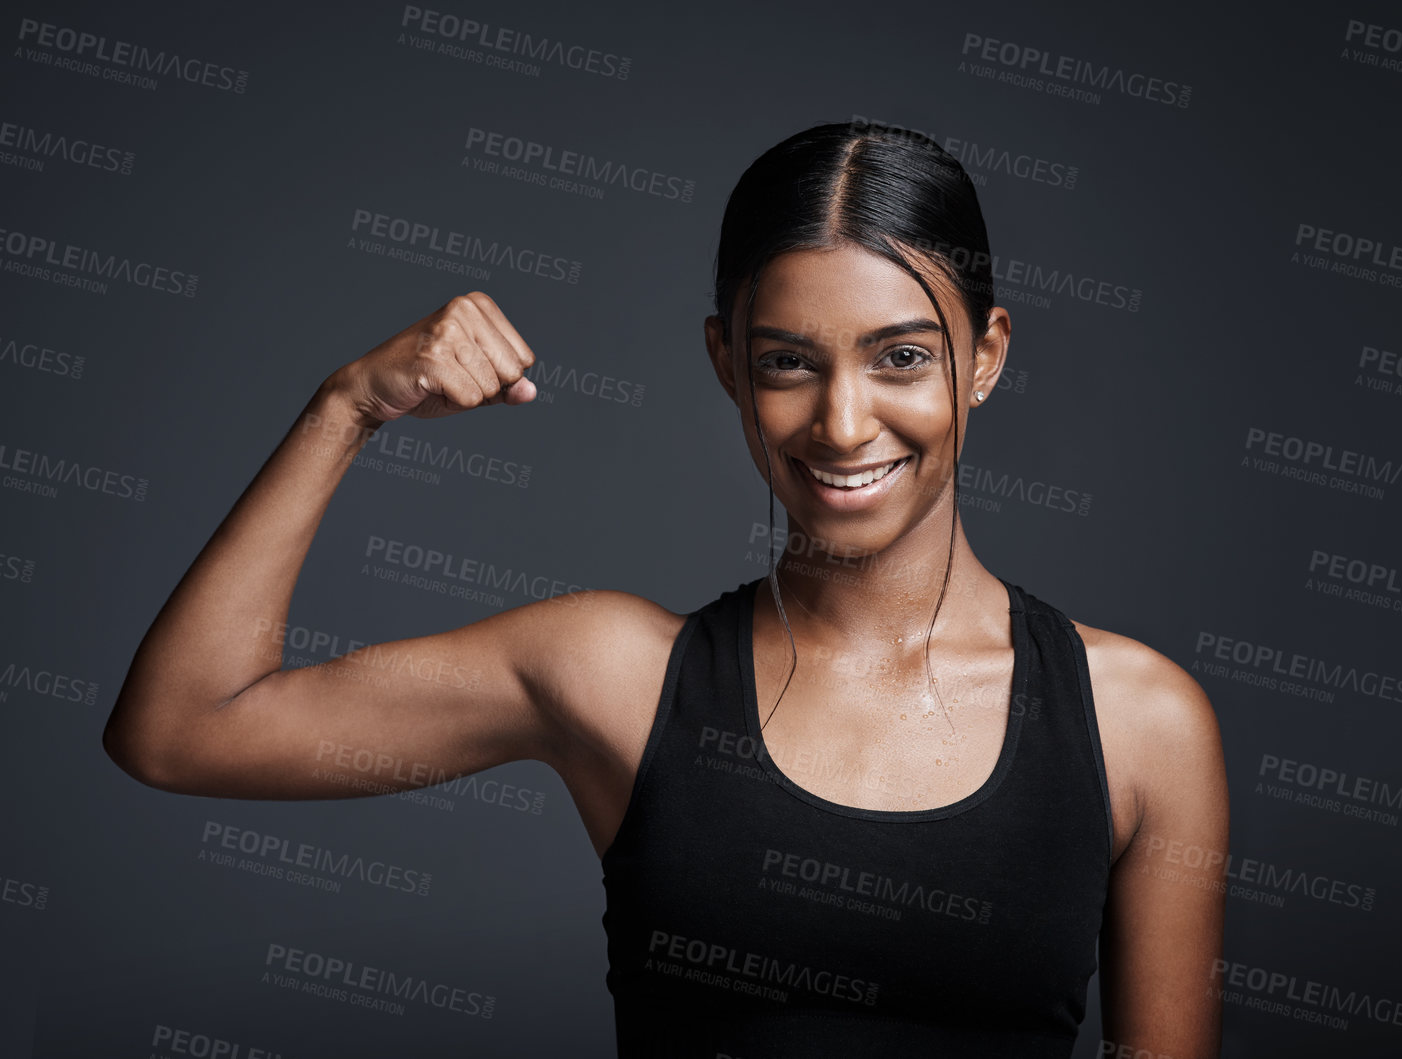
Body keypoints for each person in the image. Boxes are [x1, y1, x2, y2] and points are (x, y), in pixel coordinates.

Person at [103, 119, 1230, 1058]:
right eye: (789, 361)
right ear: (725, 362)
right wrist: (348, 405)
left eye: (900, 356)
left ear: (981, 357)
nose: (843, 424)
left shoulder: (1136, 724)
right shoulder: (614, 677)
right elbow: (180, 730)